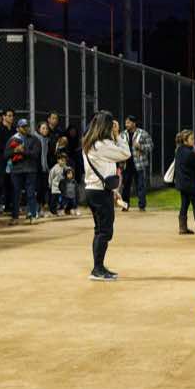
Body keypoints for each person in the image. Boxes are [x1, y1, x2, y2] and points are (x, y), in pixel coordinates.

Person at [82, 110, 131, 281]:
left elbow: (106, 167)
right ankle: (97, 269)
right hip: (99, 192)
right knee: (105, 231)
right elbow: (126, 153)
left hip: (94, 190)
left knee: (100, 230)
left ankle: (99, 266)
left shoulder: (90, 143)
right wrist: (118, 135)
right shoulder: (102, 145)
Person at [4, 119, 42, 225]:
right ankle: (15, 217)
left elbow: (35, 154)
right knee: (16, 193)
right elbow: (6, 155)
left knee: (30, 193)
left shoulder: (34, 139)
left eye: (27, 126)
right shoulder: (12, 139)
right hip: (16, 170)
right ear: (18, 128)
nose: (26, 128)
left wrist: (23, 151)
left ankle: (33, 215)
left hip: (30, 169)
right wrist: (15, 151)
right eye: (23, 126)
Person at [123, 116, 153, 211]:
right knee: (126, 186)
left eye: (128, 123)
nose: (126, 125)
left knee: (140, 185)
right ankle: (125, 205)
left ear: (134, 123)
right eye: (126, 123)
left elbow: (150, 146)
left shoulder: (142, 133)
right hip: (126, 164)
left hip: (139, 164)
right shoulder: (123, 134)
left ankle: (142, 206)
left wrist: (140, 146)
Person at [35, 121, 53, 216]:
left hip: (45, 168)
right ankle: (37, 209)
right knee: (38, 189)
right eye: (43, 128)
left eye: (46, 128)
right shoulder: (35, 139)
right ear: (38, 129)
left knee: (44, 189)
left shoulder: (47, 140)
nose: (45, 130)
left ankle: (42, 208)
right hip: (37, 169)